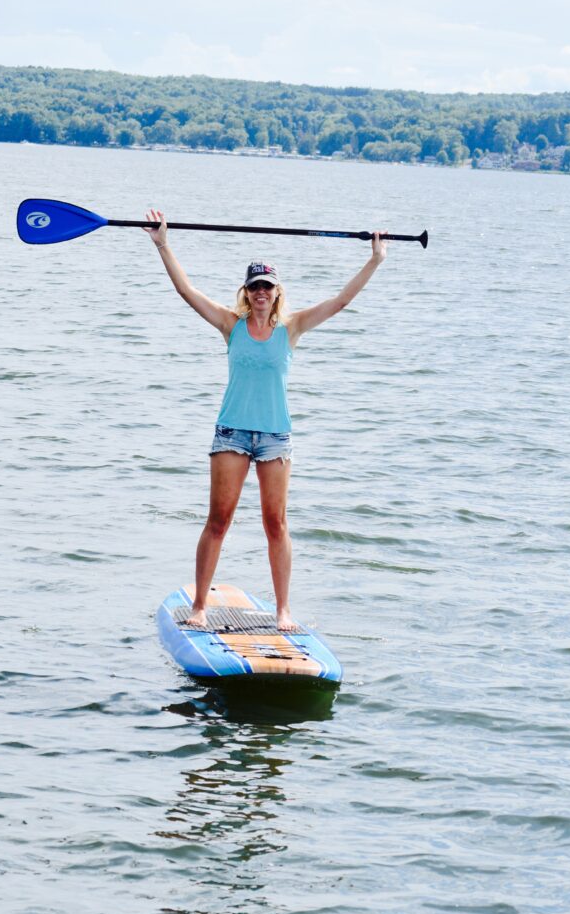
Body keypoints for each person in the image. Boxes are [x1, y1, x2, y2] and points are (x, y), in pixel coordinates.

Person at [145, 209, 388, 631]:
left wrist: (374, 260)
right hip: (232, 434)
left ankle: (283, 612)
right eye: (255, 286)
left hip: (276, 437)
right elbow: (187, 291)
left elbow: (341, 301)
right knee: (218, 521)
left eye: (268, 287)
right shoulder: (230, 324)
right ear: (246, 291)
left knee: (276, 524)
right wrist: (163, 244)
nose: (261, 293)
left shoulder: (291, 328)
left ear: (277, 293)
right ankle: (200, 606)